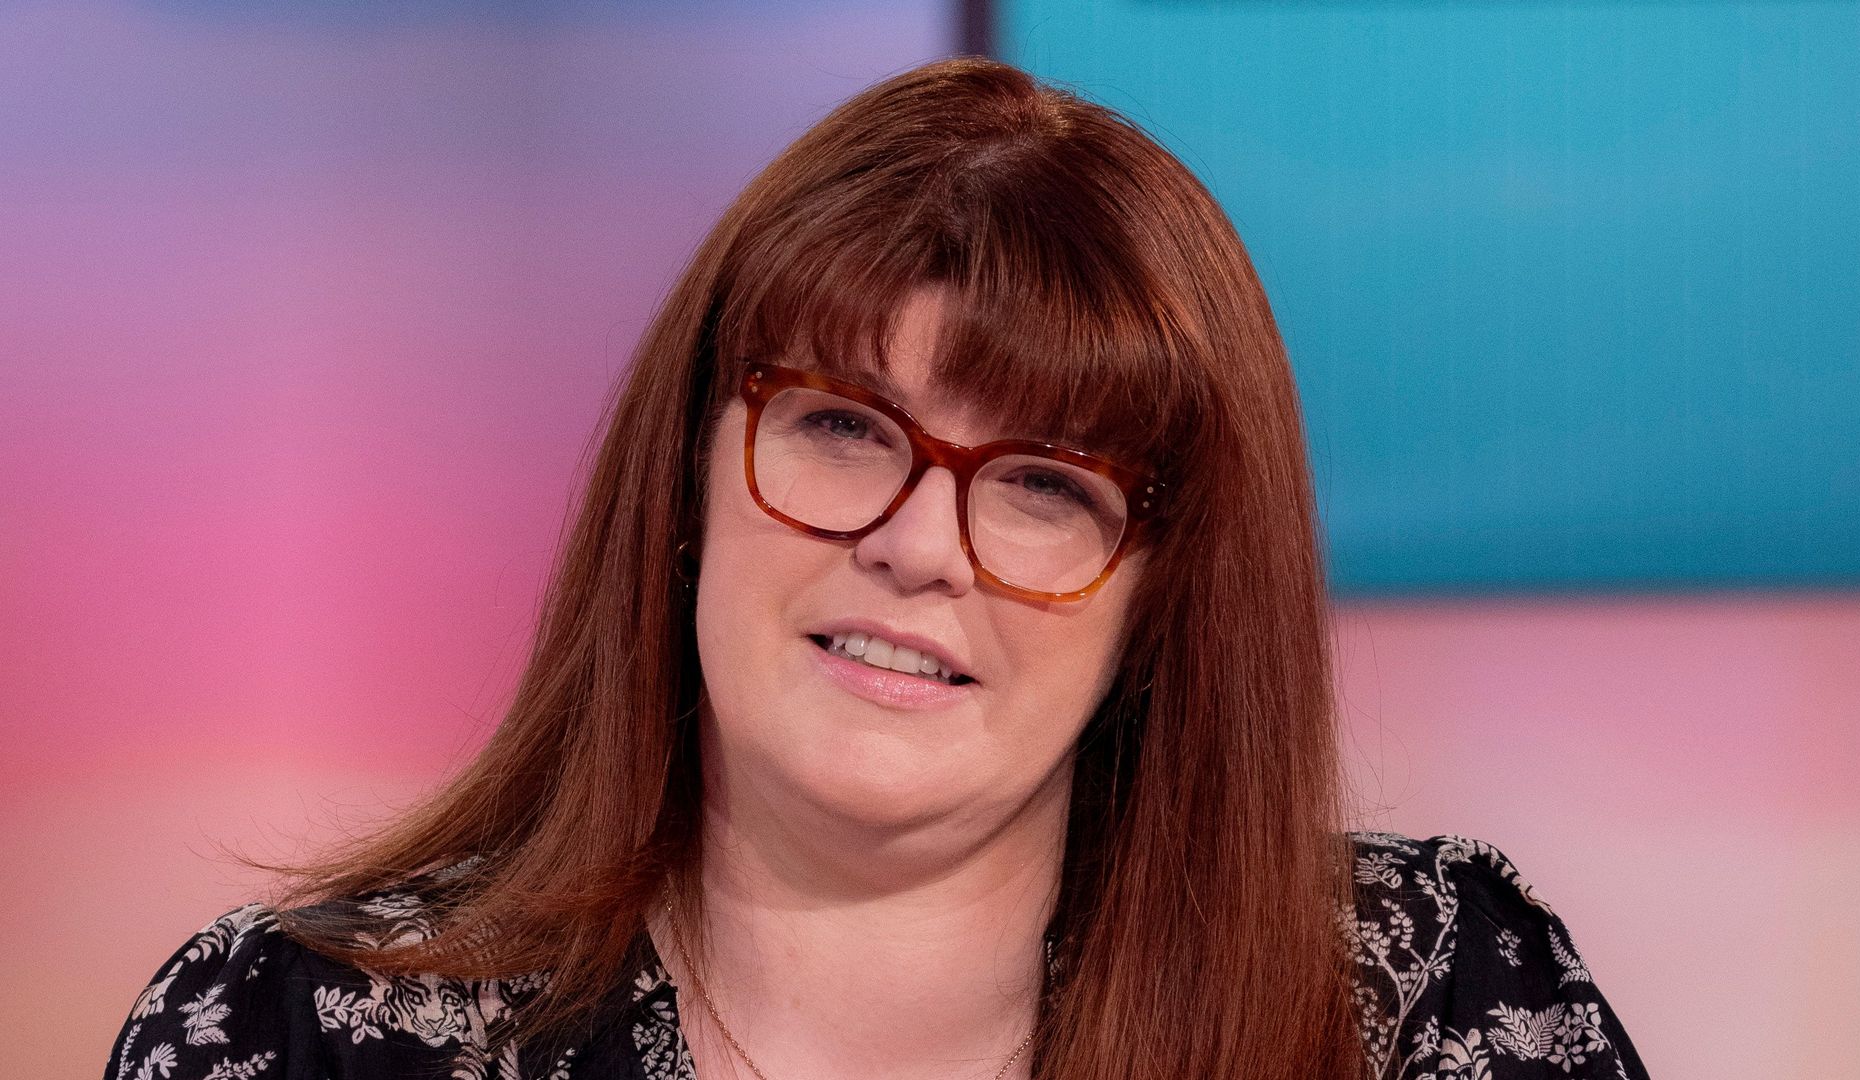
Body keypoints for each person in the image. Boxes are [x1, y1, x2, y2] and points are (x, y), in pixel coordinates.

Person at [103, 57, 1649, 1080]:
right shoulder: (294, 1036)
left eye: (1047, 484)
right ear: (692, 472)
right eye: (843, 425)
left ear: (1164, 593)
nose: (916, 544)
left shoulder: (1434, 1013)